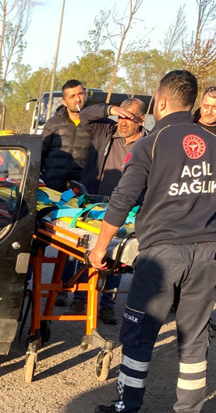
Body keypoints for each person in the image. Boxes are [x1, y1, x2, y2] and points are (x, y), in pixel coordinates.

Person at [90, 70, 216, 413]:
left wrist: (100, 247)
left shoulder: (152, 142)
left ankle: (127, 406)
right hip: (208, 253)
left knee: (139, 332)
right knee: (195, 337)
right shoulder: (213, 142)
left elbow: (123, 198)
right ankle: (189, 409)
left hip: (162, 255)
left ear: (160, 102)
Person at [63, 98, 148, 324]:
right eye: (120, 116)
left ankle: (107, 304)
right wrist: (110, 109)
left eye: (128, 117)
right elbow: (85, 115)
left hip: (127, 211)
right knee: (89, 253)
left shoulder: (149, 143)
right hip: (96, 207)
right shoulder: (106, 131)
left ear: (141, 119)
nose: (122, 122)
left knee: (117, 259)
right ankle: (81, 298)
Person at [40, 79, 94, 191]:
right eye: (72, 96)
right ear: (64, 102)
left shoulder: (94, 124)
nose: (78, 99)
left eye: (80, 94)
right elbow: (41, 152)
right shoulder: (53, 123)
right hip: (52, 186)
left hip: (81, 187)